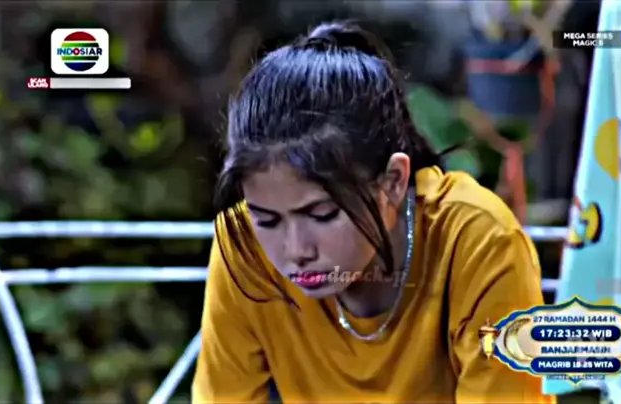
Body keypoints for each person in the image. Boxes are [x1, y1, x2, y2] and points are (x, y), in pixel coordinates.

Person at [193, 21, 551, 403]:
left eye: (322, 214)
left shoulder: (478, 243)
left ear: (393, 181)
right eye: (267, 220)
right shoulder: (244, 246)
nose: (296, 251)